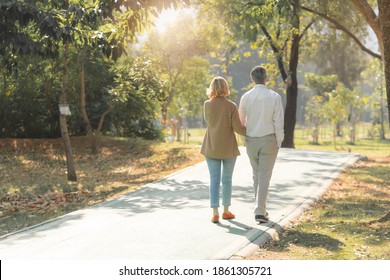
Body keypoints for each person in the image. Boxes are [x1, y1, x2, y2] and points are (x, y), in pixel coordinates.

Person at [238, 66, 284, 223]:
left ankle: (261, 208)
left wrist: (245, 139)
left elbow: (241, 122)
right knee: (264, 175)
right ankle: (259, 210)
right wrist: (279, 140)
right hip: (268, 139)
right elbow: (279, 122)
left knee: (256, 174)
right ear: (266, 78)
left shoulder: (245, 97)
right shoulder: (274, 96)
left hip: (251, 140)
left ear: (252, 79)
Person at [200, 76, 246, 223]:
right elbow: (238, 129)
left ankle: (215, 212)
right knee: (227, 180)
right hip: (228, 148)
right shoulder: (232, 106)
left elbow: (209, 122)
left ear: (212, 88)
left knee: (214, 180)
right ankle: (226, 211)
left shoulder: (207, 104)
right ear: (226, 88)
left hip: (211, 145)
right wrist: (251, 128)